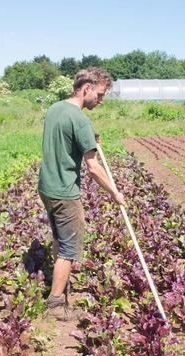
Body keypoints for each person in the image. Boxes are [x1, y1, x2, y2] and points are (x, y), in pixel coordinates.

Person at [38, 67, 125, 321]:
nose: (100, 101)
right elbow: (93, 168)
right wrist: (114, 192)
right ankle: (55, 305)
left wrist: (88, 139)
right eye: (99, 95)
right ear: (86, 88)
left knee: (58, 238)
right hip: (65, 192)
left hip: (46, 186)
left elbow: (65, 139)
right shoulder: (81, 120)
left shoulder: (55, 109)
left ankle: (60, 286)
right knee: (69, 248)